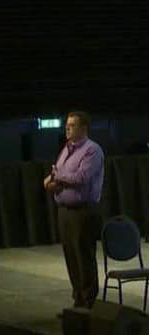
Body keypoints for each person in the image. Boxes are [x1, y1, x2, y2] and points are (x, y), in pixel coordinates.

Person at [44, 111, 104, 309]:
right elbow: (58, 175)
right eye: (66, 125)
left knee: (83, 256)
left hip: (83, 211)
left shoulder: (92, 150)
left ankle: (88, 301)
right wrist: (53, 182)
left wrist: (58, 177)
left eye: (72, 125)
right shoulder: (66, 149)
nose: (67, 128)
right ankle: (78, 299)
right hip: (65, 211)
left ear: (83, 128)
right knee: (70, 255)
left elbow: (81, 177)